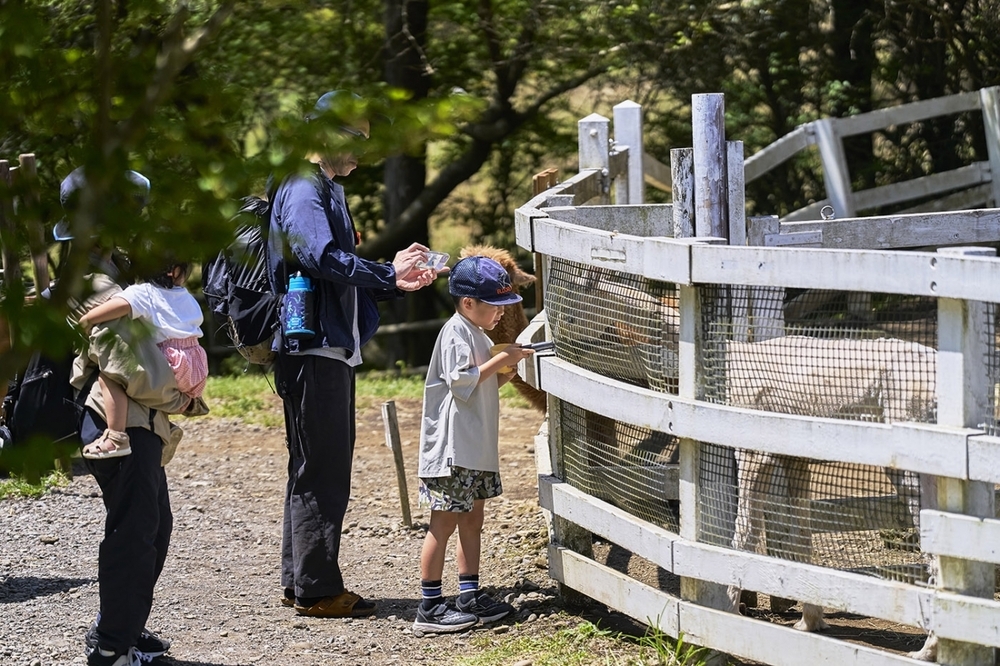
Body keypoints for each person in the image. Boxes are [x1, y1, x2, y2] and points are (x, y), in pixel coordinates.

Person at [269, 90, 440, 618]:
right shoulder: (304, 187)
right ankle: (318, 590)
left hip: (321, 346)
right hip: (315, 348)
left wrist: (393, 277)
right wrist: (386, 272)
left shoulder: (322, 187)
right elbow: (321, 258)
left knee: (312, 466)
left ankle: (301, 582)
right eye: (355, 139)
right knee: (324, 469)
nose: (363, 151)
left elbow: (335, 271)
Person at [56, 167, 206, 666]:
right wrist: (180, 398)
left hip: (141, 420)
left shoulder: (113, 267)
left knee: (153, 527)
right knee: (134, 534)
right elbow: (128, 363)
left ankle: (121, 625)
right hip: (118, 420)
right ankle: (111, 649)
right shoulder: (94, 280)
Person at [413, 255, 535, 634]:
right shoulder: (455, 333)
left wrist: (508, 369)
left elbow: (480, 386)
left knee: (472, 519)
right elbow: (462, 380)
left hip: (475, 449)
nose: (502, 312)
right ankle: (429, 606)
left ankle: (469, 594)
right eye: (495, 305)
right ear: (468, 303)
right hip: (452, 452)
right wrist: (502, 358)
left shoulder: (479, 335)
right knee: (443, 523)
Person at [78, 261, 208, 459]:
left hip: (170, 364)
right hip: (195, 367)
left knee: (113, 375)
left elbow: (119, 306)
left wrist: (86, 321)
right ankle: (166, 428)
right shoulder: (186, 296)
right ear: (175, 272)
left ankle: (116, 438)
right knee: (140, 383)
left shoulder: (144, 292)